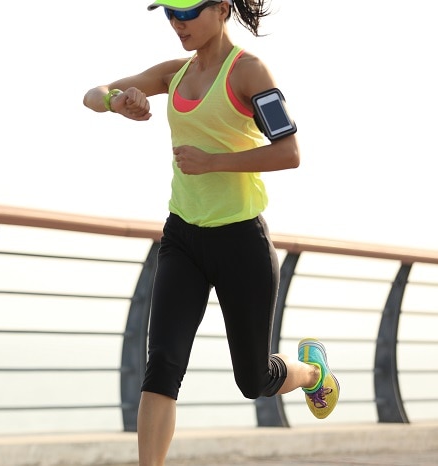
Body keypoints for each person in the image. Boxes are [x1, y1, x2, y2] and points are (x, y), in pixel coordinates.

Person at [83, 1, 339, 465]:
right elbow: (92, 93)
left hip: (241, 242)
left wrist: (214, 162)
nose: (177, 24)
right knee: (161, 366)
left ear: (221, 8)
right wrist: (116, 102)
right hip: (183, 238)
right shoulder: (172, 73)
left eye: (187, 13)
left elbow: (289, 153)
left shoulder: (249, 73)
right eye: (169, 14)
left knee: (254, 380)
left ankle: (313, 372)